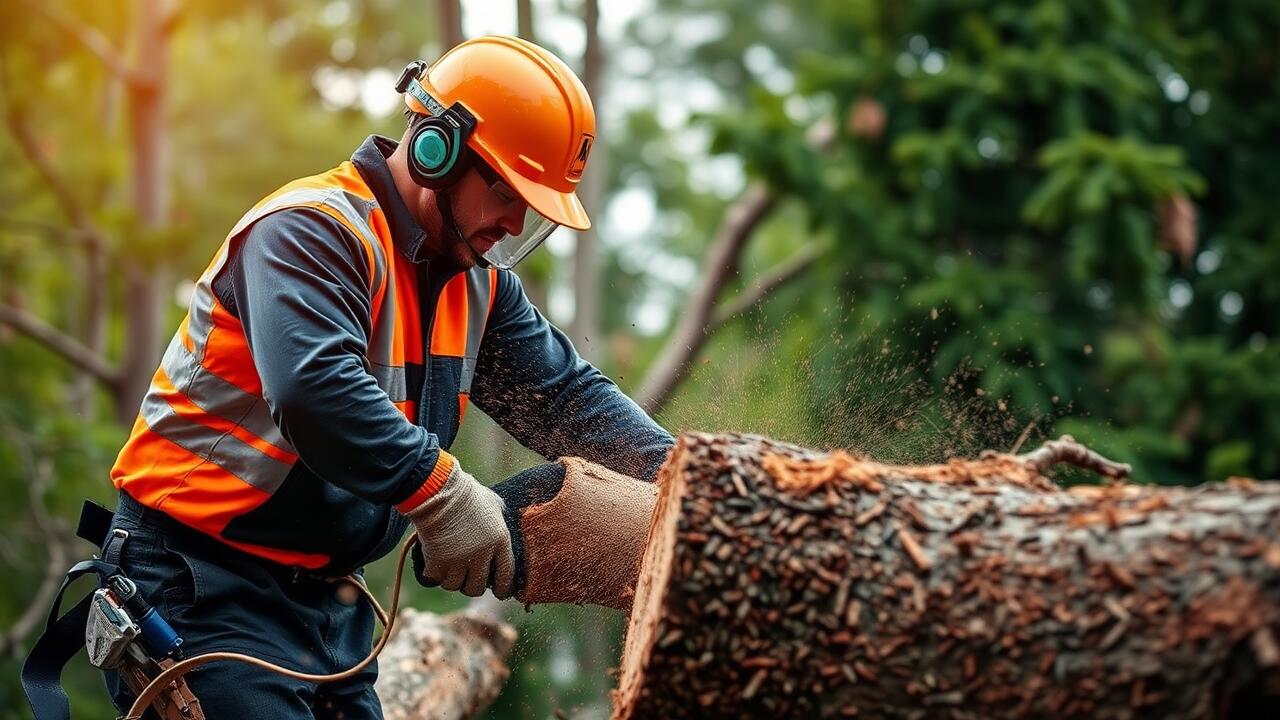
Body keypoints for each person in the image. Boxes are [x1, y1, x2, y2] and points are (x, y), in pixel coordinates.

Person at [103, 35, 673, 718]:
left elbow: (566, 399)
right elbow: (314, 390)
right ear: (440, 147)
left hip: (326, 601)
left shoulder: (475, 283)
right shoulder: (312, 232)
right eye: (505, 191)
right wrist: (447, 496)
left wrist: (687, 486)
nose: (515, 220)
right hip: (197, 581)